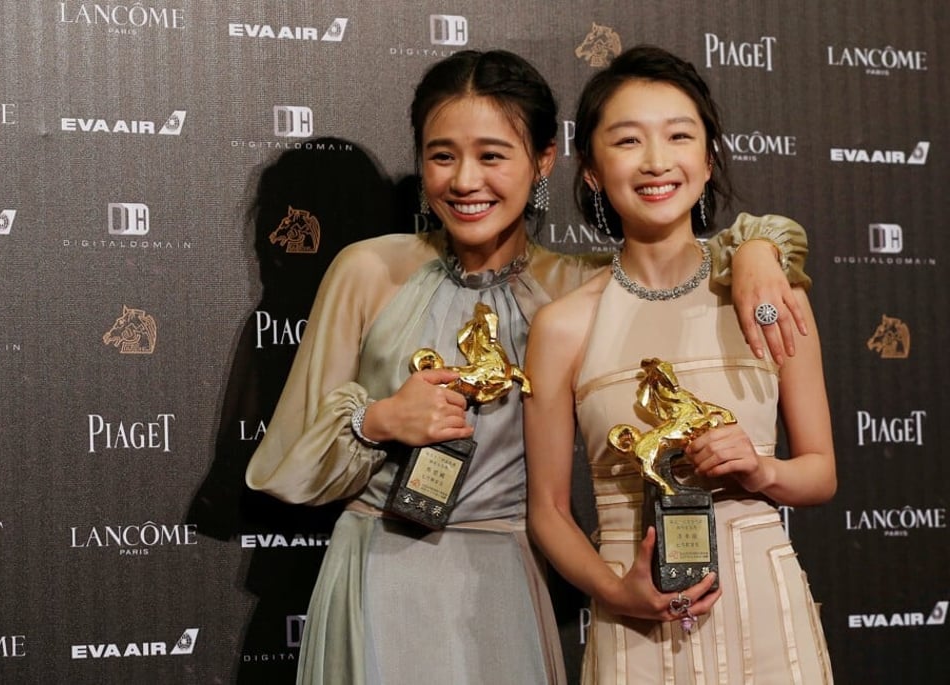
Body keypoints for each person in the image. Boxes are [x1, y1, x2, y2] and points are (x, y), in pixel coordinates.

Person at [246, 49, 813, 685]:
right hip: (375, 570)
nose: (465, 181)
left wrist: (760, 246)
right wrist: (378, 419)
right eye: (441, 156)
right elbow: (286, 462)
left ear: (544, 160)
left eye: (492, 155)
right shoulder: (367, 270)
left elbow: (676, 254)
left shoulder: (579, 289)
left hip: (505, 583)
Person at [523, 45, 836, 684]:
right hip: (634, 620)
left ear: (708, 155)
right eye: (628, 140)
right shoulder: (562, 326)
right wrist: (617, 592)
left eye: (679, 136)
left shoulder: (772, 296)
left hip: (766, 615)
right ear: (590, 170)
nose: (657, 162)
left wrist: (761, 470)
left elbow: (821, 474)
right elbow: (549, 511)